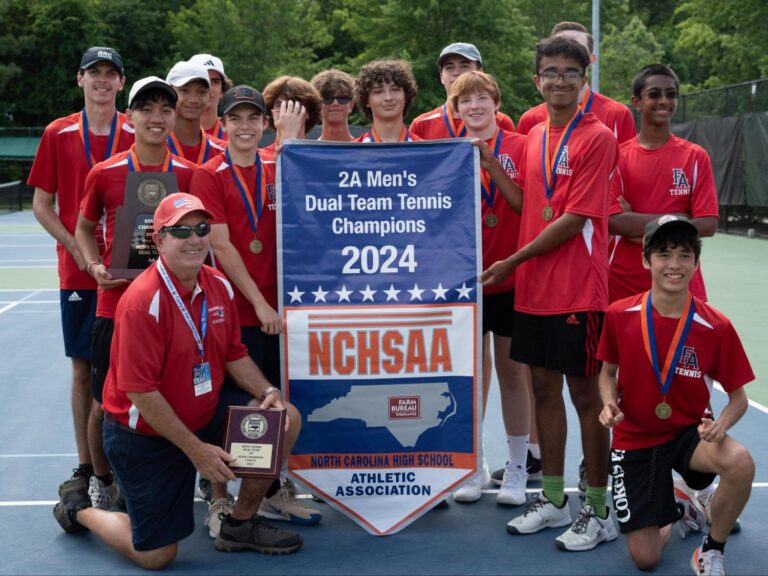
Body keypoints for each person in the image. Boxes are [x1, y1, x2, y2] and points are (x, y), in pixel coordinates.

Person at [53, 193, 305, 568]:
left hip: (202, 416)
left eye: (202, 228)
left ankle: (240, 523)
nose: (195, 238)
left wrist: (267, 391)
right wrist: (197, 451)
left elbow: (234, 354)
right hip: (144, 436)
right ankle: (81, 511)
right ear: (159, 241)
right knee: (156, 555)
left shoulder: (219, 284)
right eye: (181, 230)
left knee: (284, 416)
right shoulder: (142, 301)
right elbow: (141, 392)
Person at [480, 36, 618, 551]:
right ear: (537, 80)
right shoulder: (534, 134)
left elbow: (573, 220)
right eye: (550, 73)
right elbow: (529, 204)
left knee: (586, 398)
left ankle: (599, 509)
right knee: (543, 392)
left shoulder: (598, 137)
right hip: (534, 291)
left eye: (570, 72)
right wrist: (494, 169)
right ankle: (556, 499)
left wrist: (511, 261)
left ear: (585, 80)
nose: (560, 81)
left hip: (578, 291)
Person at [190, 85, 321, 534]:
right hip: (237, 314)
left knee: (273, 407)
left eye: (253, 118)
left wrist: (289, 140)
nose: (244, 127)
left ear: (265, 124)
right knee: (235, 413)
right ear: (221, 124)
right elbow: (221, 245)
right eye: (235, 118)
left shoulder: (274, 164)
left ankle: (268, 490)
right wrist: (261, 302)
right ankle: (219, 496)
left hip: (280, 314)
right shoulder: (209, 174)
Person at [598, 215, 754, 575]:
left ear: (695, 263)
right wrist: (608, 402)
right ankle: (684, 505)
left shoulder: (715, 325)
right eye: (664, 254)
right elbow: (607, 375)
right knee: (646, 559)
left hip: (689, 435)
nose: (674, 265)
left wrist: (723, 425)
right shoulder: (620, 315)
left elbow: (738, 398)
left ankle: (711, 550)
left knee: (741, 462)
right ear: (646, 260)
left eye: (685, 255)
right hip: (635, 438)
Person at [73, 76, 197, 508]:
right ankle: (102, 480)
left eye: (166, 108)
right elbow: (84, 228)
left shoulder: (188, 174)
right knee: (105, 402)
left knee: (174, 395)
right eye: (147, 109)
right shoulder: (104, 173)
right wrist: (93, 265)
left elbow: (203, 238)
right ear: (132, 116)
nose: (157, 117)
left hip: (174, 309)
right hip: (116, 305)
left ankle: (172, 476)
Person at [28, 46, 134, 503]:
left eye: (111, 74)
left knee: (132, 366)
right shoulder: (58, 133)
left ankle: (130, 459)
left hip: (129, 270)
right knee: (83, 370)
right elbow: (41, 204)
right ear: (80, 80)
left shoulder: (136, 128)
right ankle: (89, 465)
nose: (103, 81)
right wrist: (78, 248)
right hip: (78, 274)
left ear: (121, 83)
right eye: (95, 73)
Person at [445, 71, 529, 507]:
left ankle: (516, 467)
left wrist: (491, 164)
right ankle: (471, 463)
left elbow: (523, 205)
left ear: (497, 102)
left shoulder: (521, 146)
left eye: (482, 97)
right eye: (465, 100)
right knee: (469, 377)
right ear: (455, 110)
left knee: (513, 374)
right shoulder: (446, 154)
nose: (474, 106)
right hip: (466, 283)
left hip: (512, 277)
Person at [608, 64, 718, 303]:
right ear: (636, 102)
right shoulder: (616, 157)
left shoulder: (695, 156)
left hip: (682, 285)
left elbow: (708, 223)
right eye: (654, 94)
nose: (664, 100)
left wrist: (636, 226)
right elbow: (613, 222)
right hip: (623, 286)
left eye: (671, 94)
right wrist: (679, 219)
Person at [516, 22, 636, 144]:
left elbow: (628, 160)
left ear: (591, 59)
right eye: (560, 48)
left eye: (577, 49)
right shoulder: (530, 119)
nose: (568, 55)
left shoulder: (617, 114)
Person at [410, 42, 515, 140]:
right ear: (441, 77)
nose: (456, 73)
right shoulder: (421, 125)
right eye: (449, 67)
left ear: (480, 73)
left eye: (464, 66)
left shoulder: (501, 121)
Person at [165, 60, 225, 164]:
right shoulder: (152, 147)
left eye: (201, 92)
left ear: (209, 96)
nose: (193, 99)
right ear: (168, 93)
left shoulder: (225, 152)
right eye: (184, 90)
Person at [355, 59, 420, 142]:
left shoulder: (424, 151)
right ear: (366, 101)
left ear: (406, 96)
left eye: (395, 89)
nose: (388, 98)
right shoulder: (353, 152)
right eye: (378, 91)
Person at [260, 76, 322, 160]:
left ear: (308, 113)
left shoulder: (321, 158)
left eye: (294, 105)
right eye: (279, 105)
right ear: (271, 113)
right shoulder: (258, 159)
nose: (286, 112)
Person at [189, 53, 230, 140]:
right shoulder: (168, 133)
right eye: (203, 81)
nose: (209, 88)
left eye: (215, 82)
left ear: (222, 90)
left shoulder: (234, 134)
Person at [310, 69, 356, 141]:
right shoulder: (308, 151)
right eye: (327, 98)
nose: (335, 103)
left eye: (343, 98)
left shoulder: (363, 150)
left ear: (351, 105)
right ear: (318, 105)